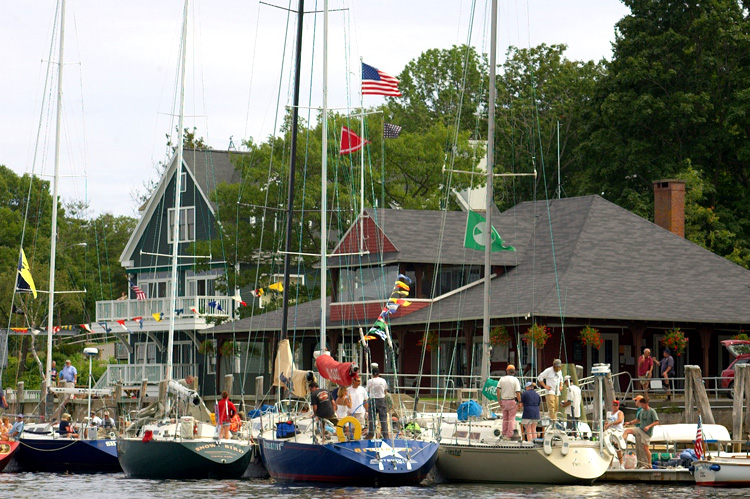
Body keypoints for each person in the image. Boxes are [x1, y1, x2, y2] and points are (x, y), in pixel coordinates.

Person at [623, 395, 659, 468]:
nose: (641, 406)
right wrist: (629, 423)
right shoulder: (641, 411)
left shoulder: (652, 411)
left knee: (645, 448)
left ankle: (649, 464)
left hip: (647, 433)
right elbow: (638, 420)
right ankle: (621, 444)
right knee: (627, 431)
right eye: (641, 404)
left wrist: (648, 426)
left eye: (642, 404)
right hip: (640, 429)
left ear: (646, 404)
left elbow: (656, 422)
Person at [496, 364, 522, 440]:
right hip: (511, 400)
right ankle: (509, 434)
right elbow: (518, 392)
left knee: (505, 418)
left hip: (503, 401)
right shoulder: (515, 380)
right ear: (514, 372)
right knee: (511, 418)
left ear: (507, 371)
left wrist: (499, 400)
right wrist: (520, 402)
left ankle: (504, 433)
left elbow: (498, 389)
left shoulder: (502, 379)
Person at [366, 367, 389, 439]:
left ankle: (371, 434)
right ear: (379, 373)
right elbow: (385, 391)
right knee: (383, 418)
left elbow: (368, 391)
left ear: (372, 374)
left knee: (372, 418)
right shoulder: (383, 381)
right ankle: (385, 435)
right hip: (381, 400)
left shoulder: (370, 381)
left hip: (373, 400)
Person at [605, 399, 625, 465]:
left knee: (617, 448)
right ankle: (610, 465)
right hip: (610, 432)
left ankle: (621, 464)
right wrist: (605, 426)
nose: (615, 406)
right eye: (614, 405)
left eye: (616, 405)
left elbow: (620, 420)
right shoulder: (609, 414)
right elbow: (607, 422)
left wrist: (611, 423)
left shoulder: (620, 413)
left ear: (618, 406)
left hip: (618, 431)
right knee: (610, 448)